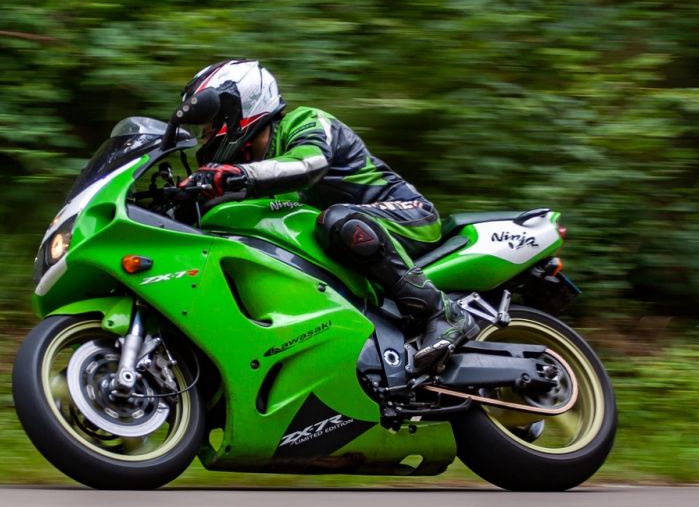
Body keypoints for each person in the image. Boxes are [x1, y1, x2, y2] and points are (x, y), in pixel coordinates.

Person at [177, 59, 477, 372]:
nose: (204, 136)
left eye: (209, 124)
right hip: (345, 245)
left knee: (339, 221)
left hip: (408, 215)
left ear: (238, 107)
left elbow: (308, 163)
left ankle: (443, 313)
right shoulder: (249, 169)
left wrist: (237, 175)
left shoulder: (305, 121)